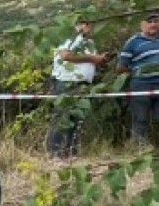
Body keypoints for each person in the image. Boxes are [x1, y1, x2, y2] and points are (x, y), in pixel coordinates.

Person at [47, 18, 108, 158]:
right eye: (82, 23)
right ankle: (54, 152)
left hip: (84, 84)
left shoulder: (90, 43)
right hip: (66, 82)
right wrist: (93, 58)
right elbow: (65, 55)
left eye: (88, 23)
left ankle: (70, 152)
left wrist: (100, 59)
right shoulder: (67, 36)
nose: (86, 26)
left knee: (77, 118)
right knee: (62, 116)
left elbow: (87, 60)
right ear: (75, 25)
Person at [116, 12, 159, 146]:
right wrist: (137, 71)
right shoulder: (133, 42)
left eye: (156, 21)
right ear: (142, 25)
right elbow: (120, 67)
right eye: (150, 22)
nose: (153, 24)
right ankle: (139, 150)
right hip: (141, 85)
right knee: (140, 118)